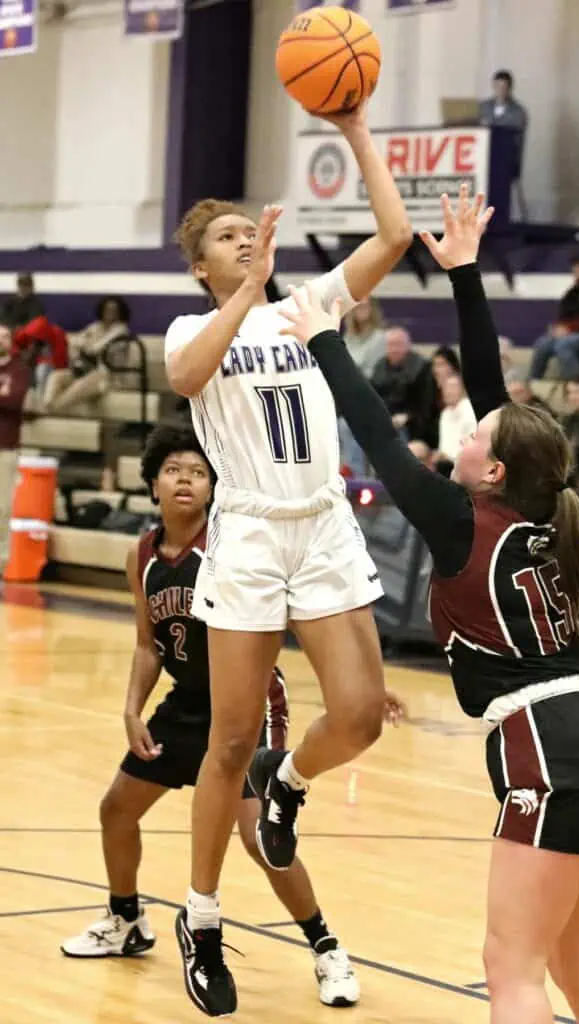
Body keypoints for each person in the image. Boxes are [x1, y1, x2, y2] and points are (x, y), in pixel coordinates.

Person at [279, 185, 579, 1024]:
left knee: (510, 970)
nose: (464, 432)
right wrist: (466, 274)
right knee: (578, 969)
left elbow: (375, 432)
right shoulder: (542, 509)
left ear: (488, 471)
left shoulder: (461, 519)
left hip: (548, 745)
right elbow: (494, 396)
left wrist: (324, 338)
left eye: (473, 438)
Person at [164, 99, 412, 1017]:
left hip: (323, 525)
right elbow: (187, 383)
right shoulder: (193, 332)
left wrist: (352, 132)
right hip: (253, 535)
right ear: (203, 266)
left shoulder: (308, 307)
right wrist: (245, 291)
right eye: (227, 238)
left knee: (357, 716)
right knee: (228, 738)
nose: (242, 241)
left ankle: (289, 783)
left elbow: (393, 235)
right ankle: (202, 914)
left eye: (248, 232)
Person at [59, 425, 404, 1004]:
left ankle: (327, 948)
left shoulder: (232, 546)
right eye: (174, 470)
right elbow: (149, 644)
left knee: (258, 837)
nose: (187, 479)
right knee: (116, 809)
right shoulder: (139, 555)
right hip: (186, 704)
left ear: (215, 488)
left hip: (247, 705)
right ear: (152, 485)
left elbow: (302, 613)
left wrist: (365, 681)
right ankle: (125, 920)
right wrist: (130, 708)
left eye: (198, 471)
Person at [44, 295, 131, 413]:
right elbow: (72, 341)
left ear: (120, 312)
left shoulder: (121, 330)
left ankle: (50, 410)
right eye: (107, 309)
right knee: (57, 376)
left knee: (79, 384)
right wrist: (84, 345)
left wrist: (85, 345)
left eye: (114, 310)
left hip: (108, 377)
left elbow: (96, 349)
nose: (110, 313)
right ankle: (48, 405)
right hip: (86, 371)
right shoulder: (95, 327)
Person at [529, 254, 579, 381]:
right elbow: (562, 316)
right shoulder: (571, 292)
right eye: (576, 266)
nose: (578, 269)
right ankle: (534, 381)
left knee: (563, 345)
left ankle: (576, 384)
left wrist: (569, 328)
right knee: (542, 343)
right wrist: (558, 328)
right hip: (572, 333)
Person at [370, 325, 437, 447]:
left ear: (408, 345)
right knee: (347, 425)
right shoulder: (380, 366)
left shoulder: (421, 367)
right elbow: (373, 397)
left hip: (411, 422)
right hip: (384, 417)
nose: (394, 349)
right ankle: (354, 466)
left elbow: (426, 405)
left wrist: (407, 416)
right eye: (391, 345)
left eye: (399, 344)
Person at [0, 324, 31, 572]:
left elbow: (13, 401)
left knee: (2, 507)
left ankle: (1, 562)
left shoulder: (18, 370)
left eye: (5, 336)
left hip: (5, 447)